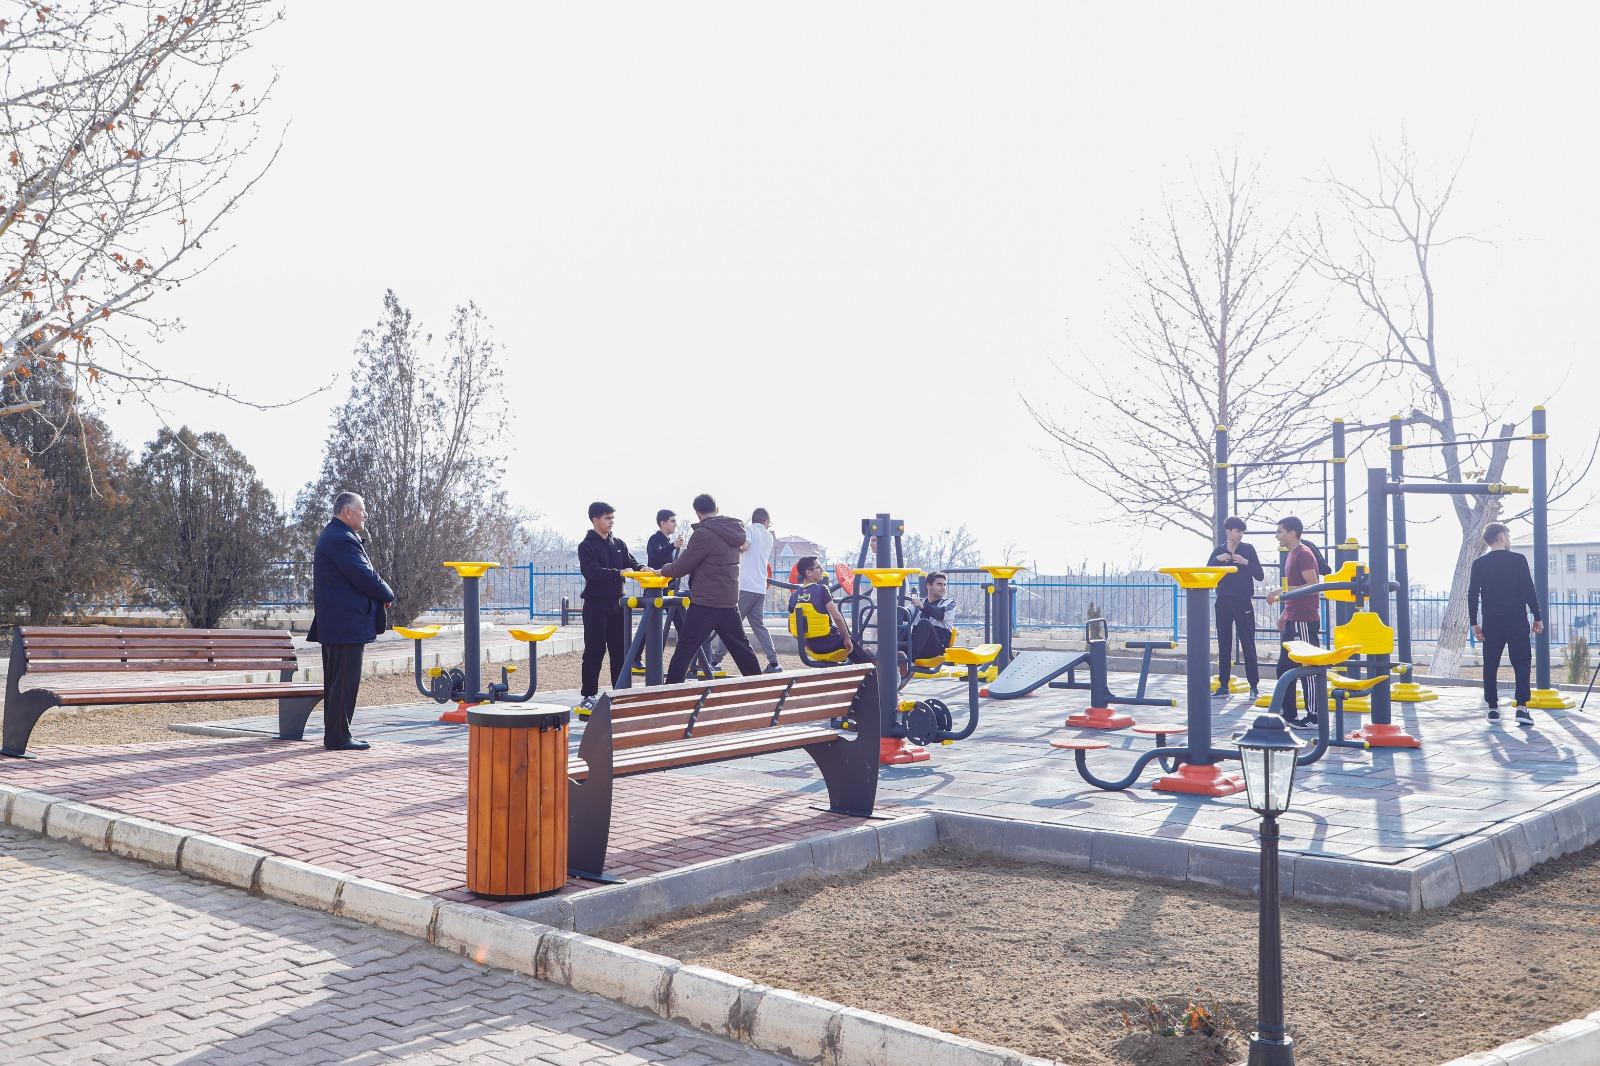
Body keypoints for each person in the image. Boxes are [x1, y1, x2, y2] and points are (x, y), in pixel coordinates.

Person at [309, 491, 395, 752]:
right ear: (347, 512)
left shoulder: (336, 535)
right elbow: (364, 575)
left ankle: (337, 734)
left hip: (339, 624)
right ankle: (338, 737)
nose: (365, 514)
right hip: (345, 625)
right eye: (362, 509)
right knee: (344, 683)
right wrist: (387, 593)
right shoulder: (341, 538)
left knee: (339, 683)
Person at [655, 494, 763, 683]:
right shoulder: (734, 531)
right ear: (717, 509)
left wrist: (661, 571)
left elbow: (680, 567)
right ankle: (761, 687)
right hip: (729, 602)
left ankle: (670, 690)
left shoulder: (703, 534)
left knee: (685, 648)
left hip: (705, 603)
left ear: (697, 513)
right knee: (741, 648)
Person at [1469, 522, 1545, 725]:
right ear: (1502, 537)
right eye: (1508, 536)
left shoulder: (1479, 564)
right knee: (1521, 663)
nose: (1509, 540)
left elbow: (1472, 594)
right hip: (1516, 620)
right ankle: (1521, 708)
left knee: (1490, 664)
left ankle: (1493, 709)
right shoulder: (1518, 560)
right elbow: (1529, 590)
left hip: (1491, 622)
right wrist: (1537, 617)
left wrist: (1474, 623)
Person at [577, 501, 638, 712]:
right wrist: (618, 573)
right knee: (594, 650)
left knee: (620, 651)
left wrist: (643, 569)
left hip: (617, 605)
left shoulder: (619, 543)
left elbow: (631, 563)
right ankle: (588, 696)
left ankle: (619, 694)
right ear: (595, 520)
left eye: (612, 518)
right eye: (607, 518)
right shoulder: (586, 546)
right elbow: (592, 571)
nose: (611, 522)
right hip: (595, 605)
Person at [1265, 516, 1322, 726]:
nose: (1277, 536)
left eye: (1279, 531)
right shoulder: (1292, 555)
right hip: (1293, 617)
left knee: (1308, 667)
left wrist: (1282, 590)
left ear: (1292, 533)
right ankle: (1289, 714)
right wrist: (1285, 613)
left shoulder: (1303, 554)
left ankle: (1314, 716)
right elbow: (1294, 590)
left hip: (1304, 619)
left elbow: (1312, 585)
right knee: (1285, 668)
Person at [711, 507, 782, 674]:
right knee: (758, 625)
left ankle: (715, 661)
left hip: (745, 586)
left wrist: (733, 545)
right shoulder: (769, 537)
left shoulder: (749, 530)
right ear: (766, 521)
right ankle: (773, 662)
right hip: (760, 587)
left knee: (730, 624)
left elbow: (745, 546)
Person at [1209, 517, 1265, 700]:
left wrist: (1245, 562)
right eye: (1237, 531)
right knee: (1224, 643)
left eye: (1242, 532)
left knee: (1248, 643)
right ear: (1228, 531)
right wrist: (1217, 560)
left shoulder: (1248, 549)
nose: (1240, 535)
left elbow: (1260, 575)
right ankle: (1223, 685)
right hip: (1223, 602)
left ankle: (1254, 686)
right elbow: (1206, 573)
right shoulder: (1218, 552)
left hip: (1243, 602)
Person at [790, 555, 872, 664]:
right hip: (830, 644)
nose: (822, 570)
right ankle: (872, 668)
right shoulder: (822, 590)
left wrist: (805, 643)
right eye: (818, 567)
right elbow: (837, 617)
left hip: (811, 647)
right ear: (809, 573)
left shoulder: (794, 596)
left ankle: (868, 660)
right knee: (848, 640)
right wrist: (847, 638)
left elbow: (792, 627)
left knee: (846, 641)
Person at [908, 571, 957, 662]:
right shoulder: (919, 603)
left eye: (944, 585)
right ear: (928, 585)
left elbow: (940, 613)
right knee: (900, 626)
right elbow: (906, 614)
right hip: (917, 645)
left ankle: (908, 661)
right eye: (939, 584)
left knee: (924, 623)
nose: (943, 588)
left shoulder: (949, 603)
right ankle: (887, 657)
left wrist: (923, 607)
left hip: (936, 649)